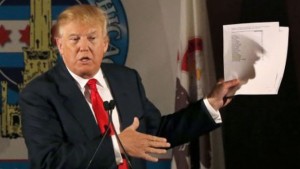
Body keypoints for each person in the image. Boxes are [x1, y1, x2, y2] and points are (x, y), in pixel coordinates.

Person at [19, 4, 240, 169]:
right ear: (60, 45)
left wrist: (210, 105)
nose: (83, 47)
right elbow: (48, 161)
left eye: (92, 38)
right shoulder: (39, 93)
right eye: (74, 39)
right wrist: (118, 146)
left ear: (105, 44)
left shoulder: (125, 79)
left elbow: (154, 134)